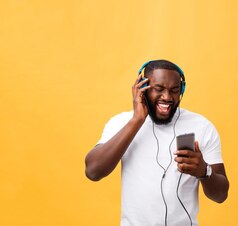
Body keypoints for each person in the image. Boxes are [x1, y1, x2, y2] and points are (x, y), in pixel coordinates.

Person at [85, 60, 229, 226]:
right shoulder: (120, 123)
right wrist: (137, 119)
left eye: (174, 90)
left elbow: (221, 195)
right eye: (158, 89)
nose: (167, 97)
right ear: (141, 88)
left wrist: (204, 171)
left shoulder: (202, 126)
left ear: (181, 90)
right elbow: (93, 171)